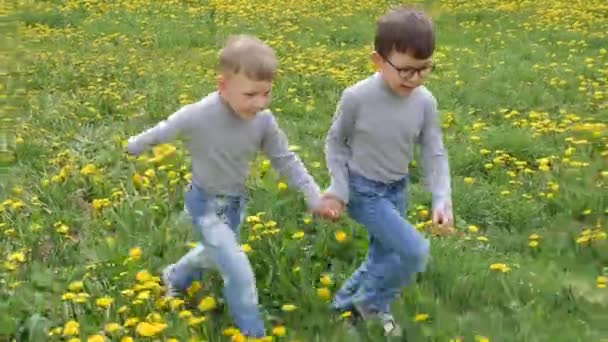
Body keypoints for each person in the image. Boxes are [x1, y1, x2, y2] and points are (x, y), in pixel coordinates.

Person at [126, 34, 332, 338]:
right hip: (204, 204)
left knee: (214, 253)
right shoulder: (198, 114)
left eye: (267, 93)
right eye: (251, 94)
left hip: (234, 205)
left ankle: (175, 276)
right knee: (238, 271)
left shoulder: (263, 121)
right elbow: (165, 129)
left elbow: (286, 161)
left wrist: (314, 196)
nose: (260, 103)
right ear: (223, 86)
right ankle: (253, 333)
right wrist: (134, 145)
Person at [321, 6, 454, 336]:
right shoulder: (357, 97)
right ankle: (373, 303)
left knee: (382, 257)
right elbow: (335, 144)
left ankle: (341, 307)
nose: (416, 79)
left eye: (424, 69)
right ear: (378, 61)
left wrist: (441, 197)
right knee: (414, 251)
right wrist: (338, 188)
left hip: (397, 189)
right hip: (362, 190)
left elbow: (433, 151)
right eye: (406, 70)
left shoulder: (425, 102)